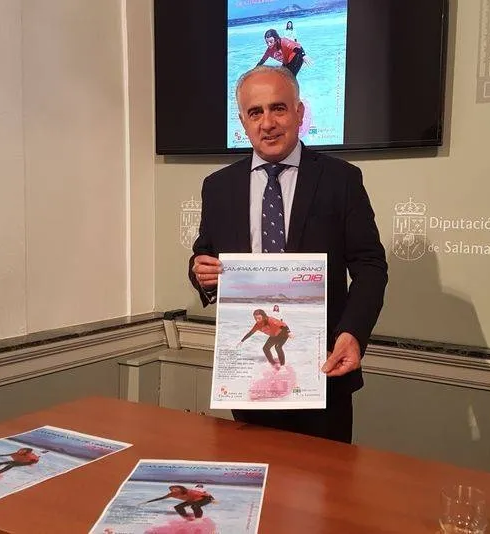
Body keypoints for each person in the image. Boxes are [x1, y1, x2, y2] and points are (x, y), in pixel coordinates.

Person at [188, 65, 388, 444]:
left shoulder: (340, 179)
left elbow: (370, 266)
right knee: (253, 471)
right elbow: (204, 256)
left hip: (323, 369)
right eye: (255, 112)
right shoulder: (218, 187)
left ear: (299, 112)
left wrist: (353, 333)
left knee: (324, 480)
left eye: (278, 108)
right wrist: (202, 273)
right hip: (249, 379)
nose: (267, 123)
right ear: (243, 122)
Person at [144, 485, 215, 520]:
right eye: (171, 490)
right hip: (192, 500)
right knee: (178, 507)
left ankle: (198, 519)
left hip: (205, 498)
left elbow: (206, 494)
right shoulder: (171, 494)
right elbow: (161, 498)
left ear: (180, 489)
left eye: (175, 489)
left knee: (194, 506)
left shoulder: (189, 491)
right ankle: (186, 517)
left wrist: (213, 499)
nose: (173, 491)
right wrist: (147, 501)